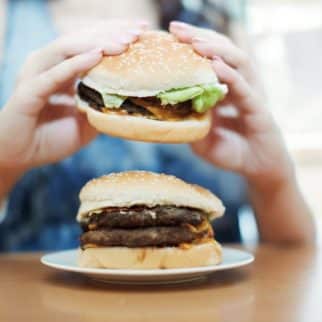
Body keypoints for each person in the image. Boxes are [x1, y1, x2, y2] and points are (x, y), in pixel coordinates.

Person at [0, 0, 315, 251]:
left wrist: (272, 179)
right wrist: (5, 163)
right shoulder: (10, 22)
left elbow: (295, 260)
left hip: (210, 299)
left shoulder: (217, 23)